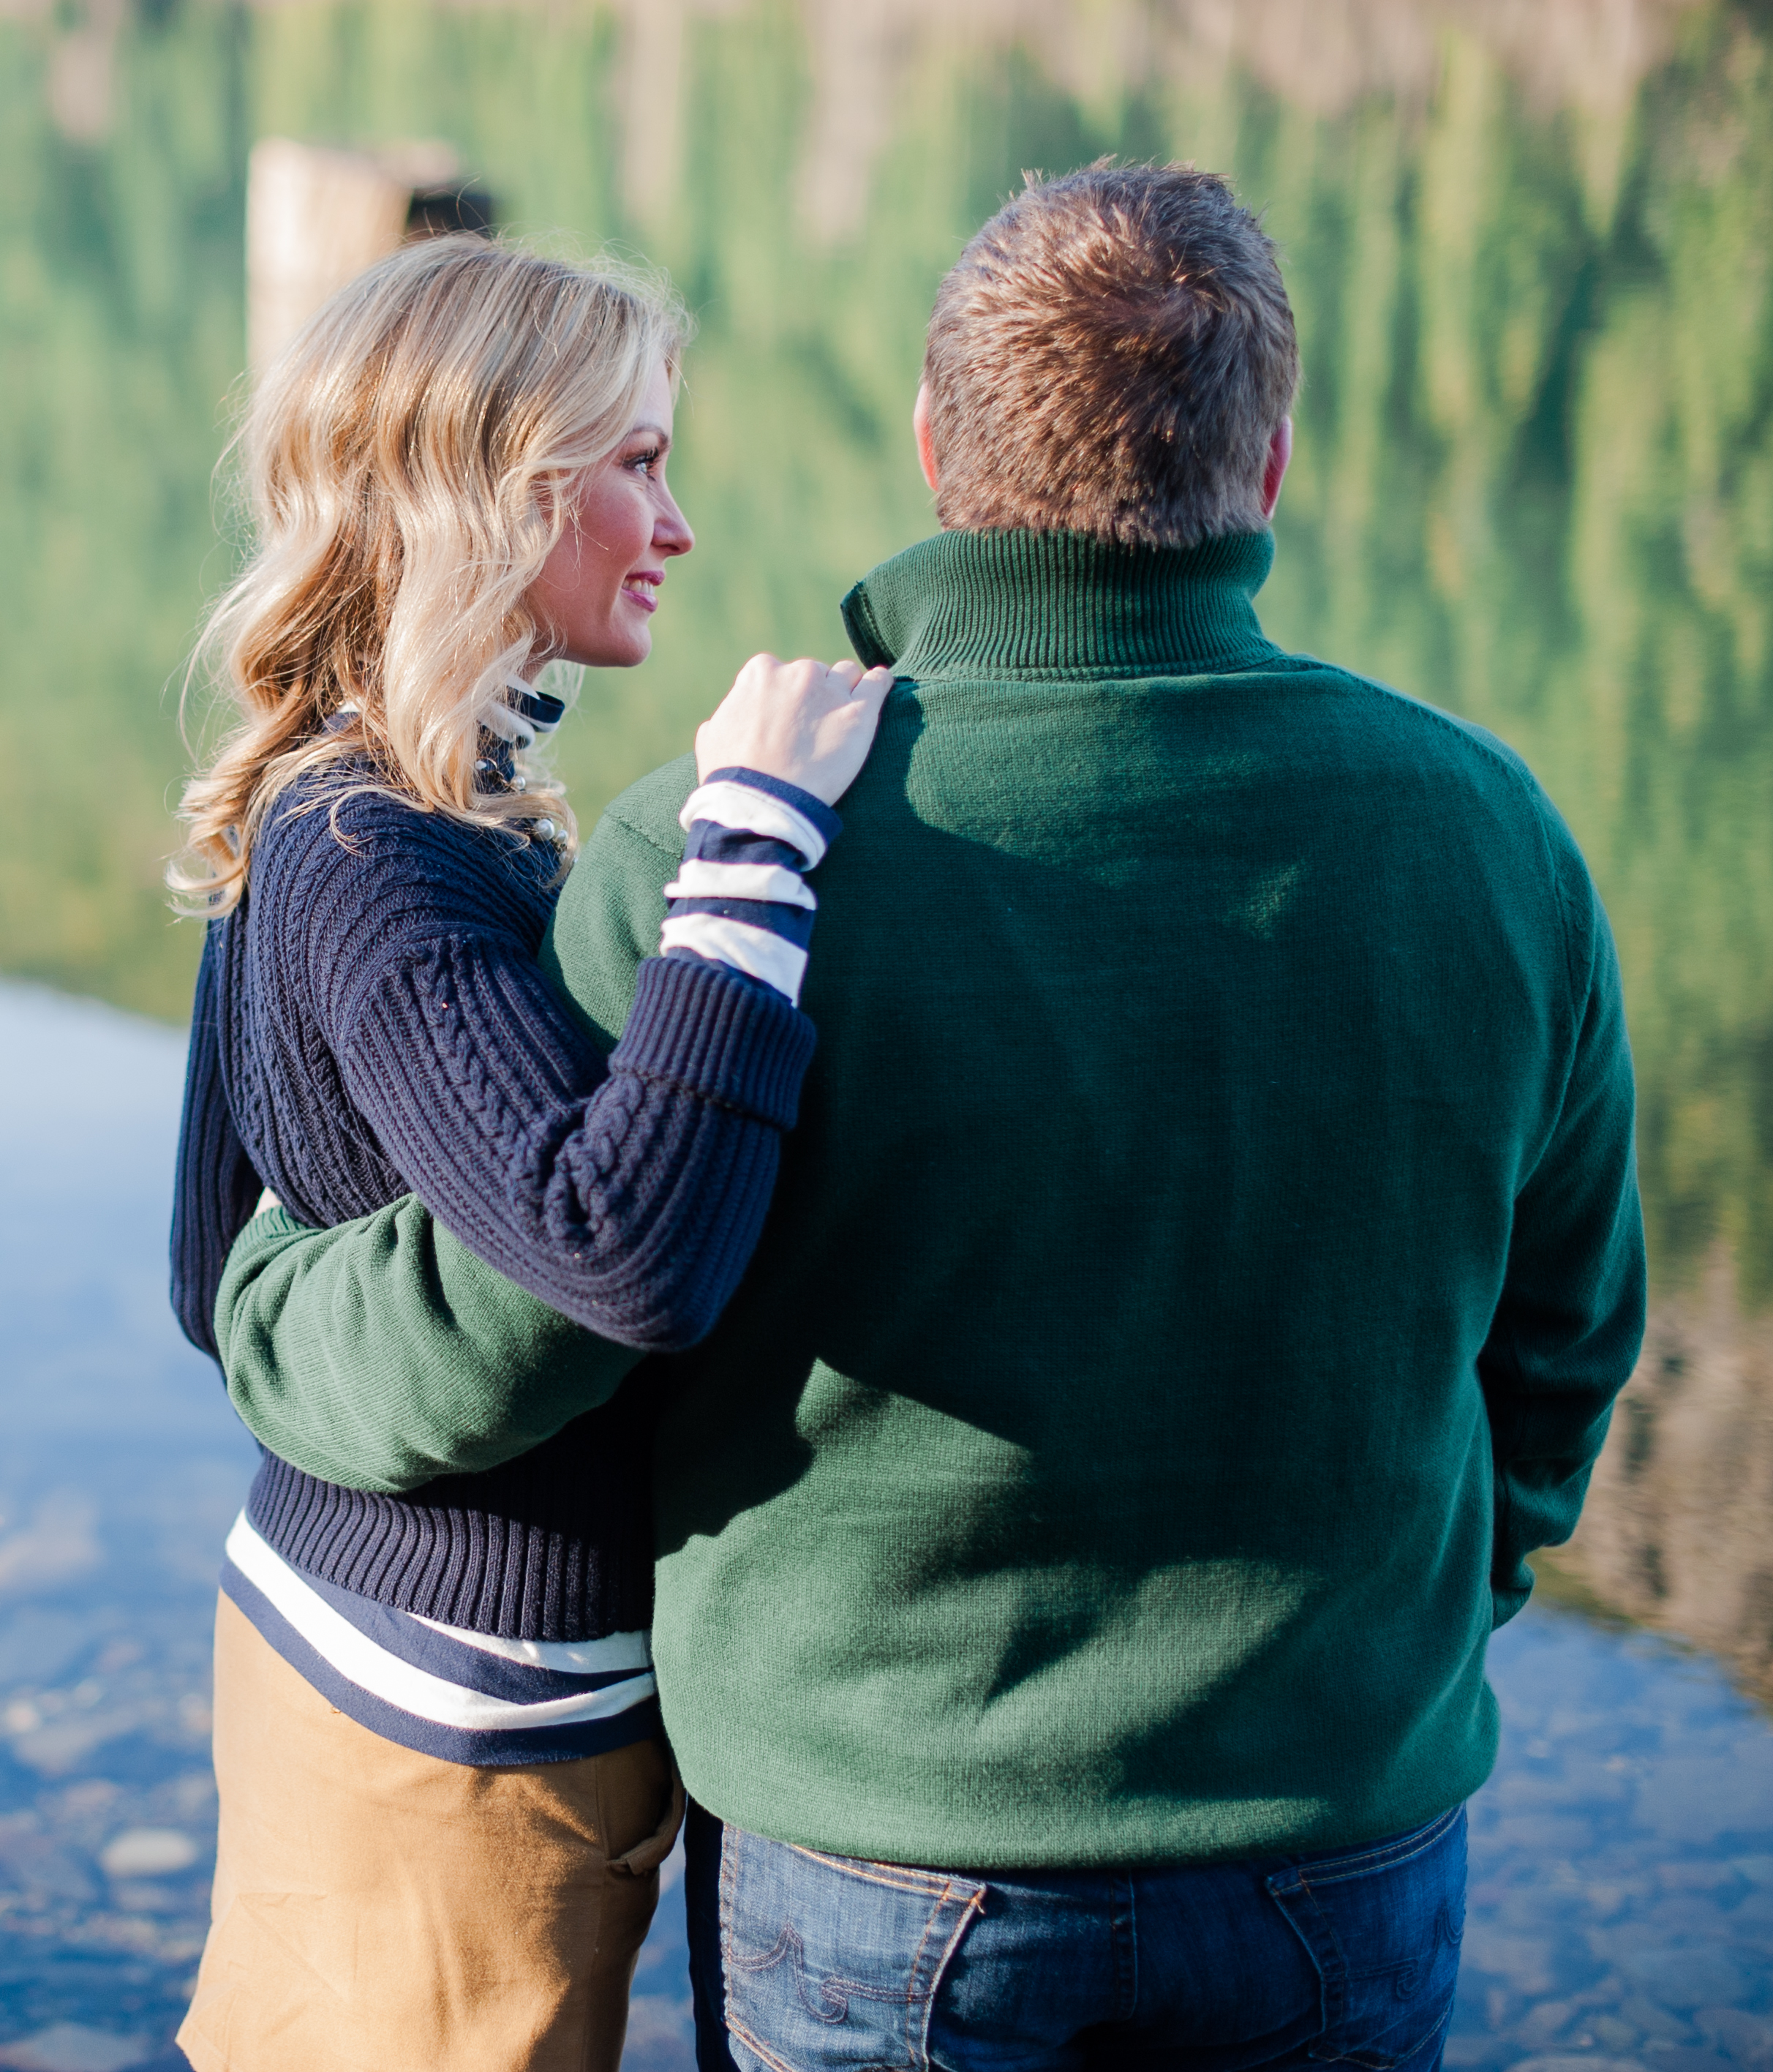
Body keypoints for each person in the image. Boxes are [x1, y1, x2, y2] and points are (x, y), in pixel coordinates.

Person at [209, 164, 1645, 2069]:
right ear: (1272, 463)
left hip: (881, 1859)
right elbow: (1569, 1338)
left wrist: (269, 1301)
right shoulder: (1492, 834)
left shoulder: (731, 844)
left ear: (935, 443)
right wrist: (1433, 1614)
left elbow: (513, 1329)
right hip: (1344, 1829)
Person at [165, 236, 891, 2071]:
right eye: (636, 461)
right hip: (441, 1708)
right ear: (493, 485)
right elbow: (616, 1247)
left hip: (388, 1650)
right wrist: (755, 835)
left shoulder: (354, 802)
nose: (679, 518)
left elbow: (208, 1259)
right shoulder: (380, 852)